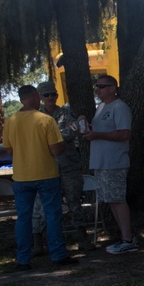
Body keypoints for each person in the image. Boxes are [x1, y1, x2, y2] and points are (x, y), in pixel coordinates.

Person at [2, 85, 79, 269]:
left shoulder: (10, 121)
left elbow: (8, 150)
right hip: (46, 174)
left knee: (23, 218)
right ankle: (58, 255)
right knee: (53, 215)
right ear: (36, 97)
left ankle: (23, 259)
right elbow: (56, 149)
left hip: (21, 176)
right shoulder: (46, 120)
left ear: (21, 99)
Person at [34, 81, 93, 251]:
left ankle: (83, 239)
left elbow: (73, 131)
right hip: (46, 168)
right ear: (40, 97)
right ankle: (39, 243)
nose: (51, 97)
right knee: (42, 206)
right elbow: (40, 139)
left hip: (69, 166)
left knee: (74, 202)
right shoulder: (36, 117)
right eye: (47, 95)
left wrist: (52, 137)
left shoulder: (66, 113)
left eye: (53, 94)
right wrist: (60, 134)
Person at [85, 74, 137, 254]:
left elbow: (125, 134)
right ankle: (125, 237)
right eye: (97, 86)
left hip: (114, 162)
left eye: (102, 86)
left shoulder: (120, 107)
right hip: (101, 162)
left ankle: (128, 239)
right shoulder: (100, 107)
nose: (98, 89)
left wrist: (98, 135)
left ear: (113, 89)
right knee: (111, 200)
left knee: (118, 200)